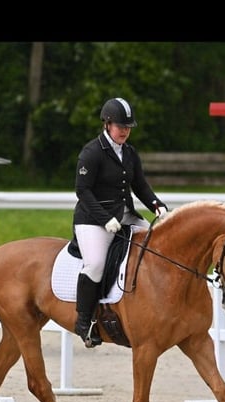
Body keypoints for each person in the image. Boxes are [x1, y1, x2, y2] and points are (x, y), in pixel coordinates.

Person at [72, 97, 168, 348]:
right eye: (120, 126)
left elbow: (140, 186)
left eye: (128, 127)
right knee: (95, 264)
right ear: (107, 123)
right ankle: (84, 322)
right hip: (93, 219)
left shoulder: (129, 152)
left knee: (157, 247)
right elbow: (83, 191)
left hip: (124, 214)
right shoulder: (91, 153)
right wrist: (105, 220)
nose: (125, 131)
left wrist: (157, 206)